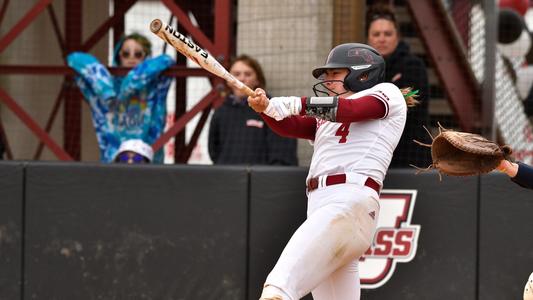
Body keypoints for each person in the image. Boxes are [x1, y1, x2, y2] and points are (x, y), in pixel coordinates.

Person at [247, 43, 418, 300]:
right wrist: (267, 109)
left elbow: (352, 110)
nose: (327, 81)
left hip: (348, 201)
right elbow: (289, 127)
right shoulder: (327, 113)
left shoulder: (387, 93)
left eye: (334, 74)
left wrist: (295, 103)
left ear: (362, 74)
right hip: (324, 205)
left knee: (279, 286)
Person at [67, 33, 174, 163]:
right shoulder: (105, 89)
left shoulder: (154, 86)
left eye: (138, 54)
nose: (131, 58)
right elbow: (74, 58)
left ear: (146, 57)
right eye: (126, 54)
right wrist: (106, 89)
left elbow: (167, 60)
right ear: (118, 57)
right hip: (113, 163)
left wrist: (131, 82)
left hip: (149, 162)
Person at [366, 4, 431, 168]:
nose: (382, 38)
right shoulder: (362, 70)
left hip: (409, 156)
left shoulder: (413, 65)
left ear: (397, 36)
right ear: (368, 38)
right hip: (373, 156)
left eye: (387, 34)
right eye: (376, 34)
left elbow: (409, 104)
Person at [208, 54, 297, 165]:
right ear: (228, 81)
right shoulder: (220, 112)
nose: (241, 78)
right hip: (227, 179)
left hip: (262, 180)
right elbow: (213, 151)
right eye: (236, 74)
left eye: (248, 74)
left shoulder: (273, 109)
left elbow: (283, 154)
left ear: (257, 80)